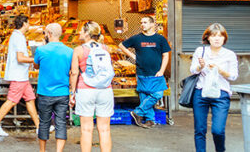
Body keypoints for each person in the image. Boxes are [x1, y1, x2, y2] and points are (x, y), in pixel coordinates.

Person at [0, 14, 39, 136]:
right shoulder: (19, 38)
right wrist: (35, 59)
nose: (29, 25)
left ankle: (39, 127)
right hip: (19, 76)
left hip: (22, 76)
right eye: (28, 23)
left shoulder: (16, 36)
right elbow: (20, 58)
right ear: (25, 23)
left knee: (30, 99)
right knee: (11, 100)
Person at [189, 23, 238, 152]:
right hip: (201, 93)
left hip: (221, 94)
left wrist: (220, 71)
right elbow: (193, 70)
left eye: (220, 36)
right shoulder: (201, 51)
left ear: (224, 39)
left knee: (218, 130)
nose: (217, 39)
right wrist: (201, 66)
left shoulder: (230, 54)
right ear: (208, 38)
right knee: (200, 129)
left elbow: (233, 76)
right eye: (214, 36)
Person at [119, 16, 171, 128]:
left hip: (156, 73)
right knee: (144, 96)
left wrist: (162, 71)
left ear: (153, 24)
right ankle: (149, 120)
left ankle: (137, 112)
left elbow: (166, 55)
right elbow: (121, 45)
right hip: (141, 73)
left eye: (145, 22)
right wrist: (132, 55)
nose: (142, 24)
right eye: (141, 22)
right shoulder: (137, 38)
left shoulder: (160, 39)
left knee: (157, 94)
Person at [70, 21, 113, 152]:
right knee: (105, 129)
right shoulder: (106, 48)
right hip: (105, 90)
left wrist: (72, 93)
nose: (79, 33)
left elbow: (74, 73)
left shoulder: (78, 50)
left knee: (86, 129)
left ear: (87, 33)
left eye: (82, 31)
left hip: (85, 91)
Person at [33, 23, 73, 152]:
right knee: (61, 123)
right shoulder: (69, 51)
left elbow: (36, 66)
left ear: (49, 34)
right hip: (63, 92)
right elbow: (72, 70)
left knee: (44, 122)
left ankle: (42, 150)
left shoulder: (41, 50)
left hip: (45, 92)